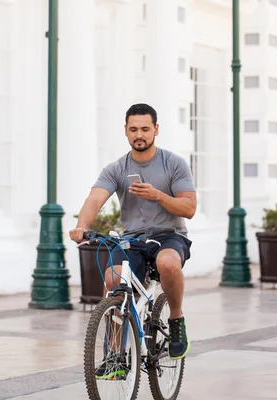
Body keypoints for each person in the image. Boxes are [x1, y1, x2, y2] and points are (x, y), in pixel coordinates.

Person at [69, 103, 197, 362]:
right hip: (132, 239)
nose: (140, 134)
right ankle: (115, 356)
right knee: (114, 281)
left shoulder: (174, 164)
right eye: (134, 129)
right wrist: (82, 226)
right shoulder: (116, 168)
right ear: (126, 132)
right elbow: (95, 199)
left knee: (168, 263)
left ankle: (175, 319)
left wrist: (158, 195)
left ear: (156, 130)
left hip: (169, 235)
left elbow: (189, 208)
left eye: (145, 129)